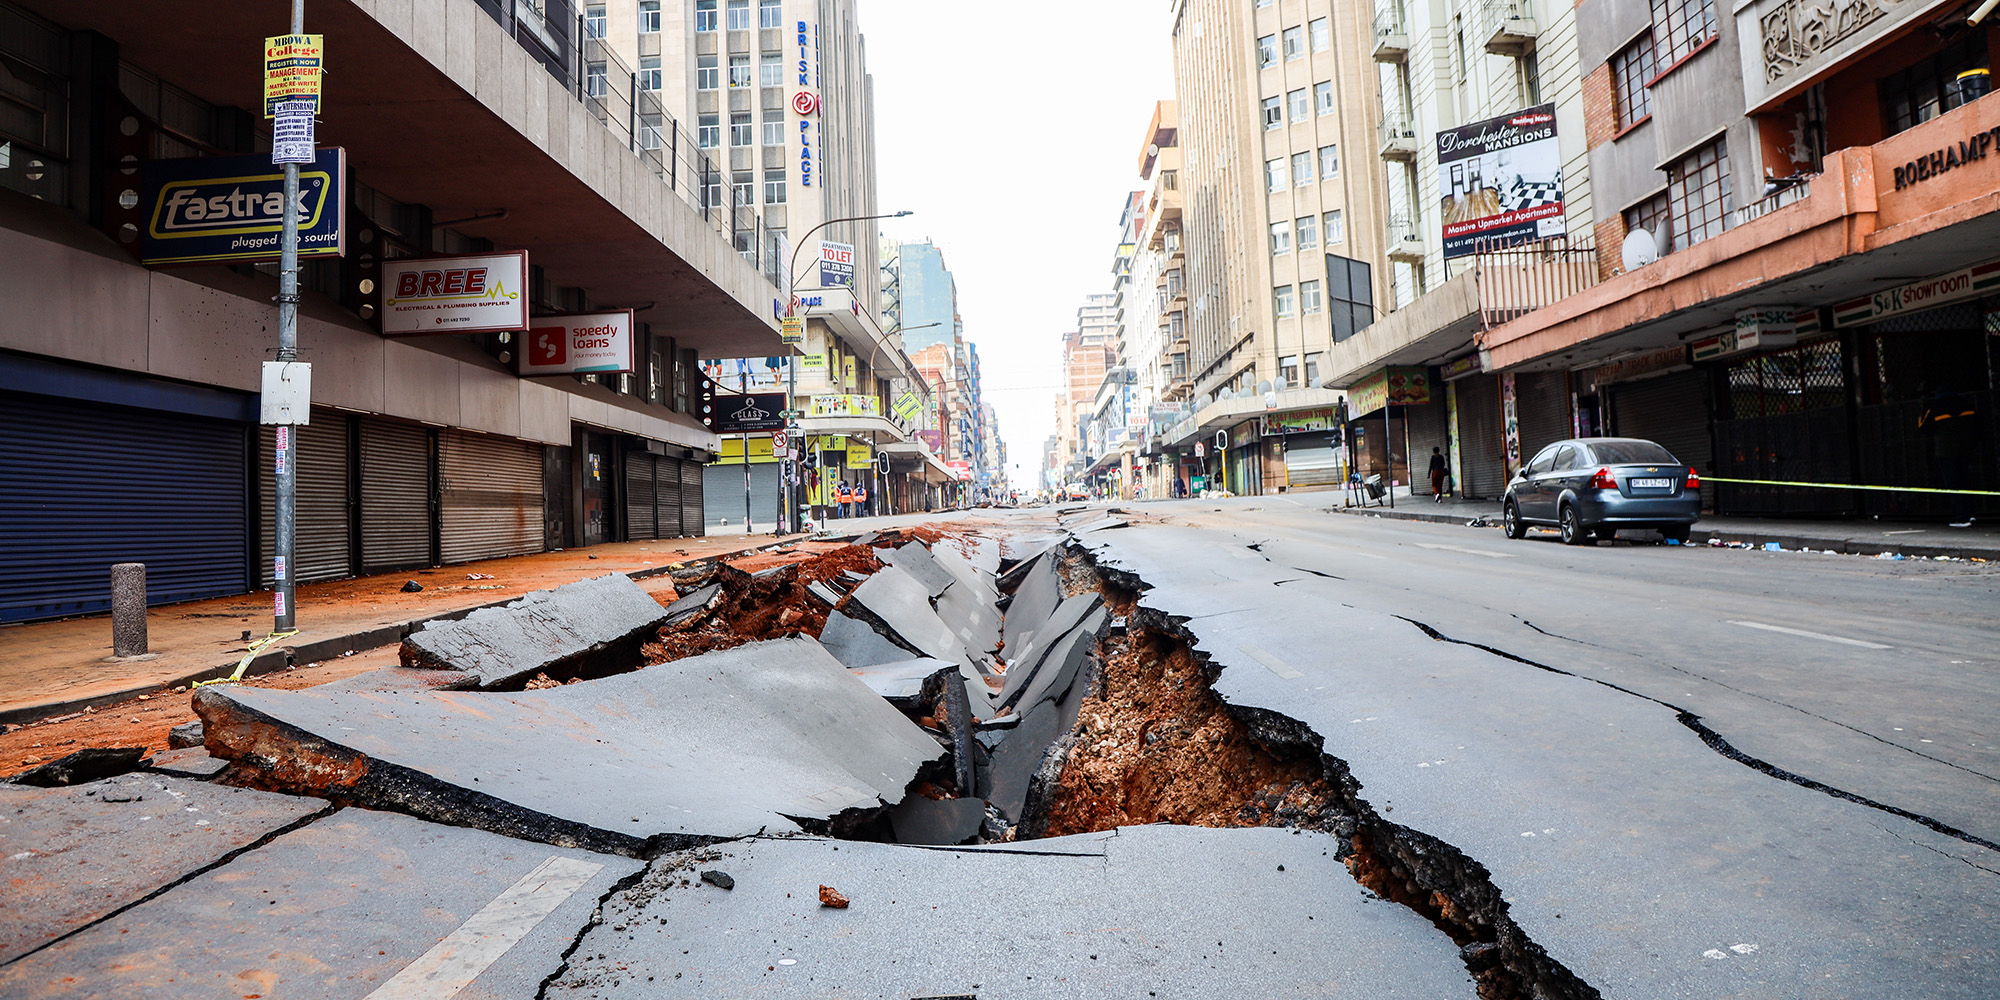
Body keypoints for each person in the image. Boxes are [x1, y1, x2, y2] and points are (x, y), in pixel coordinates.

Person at [1919, 387, 1980, 527]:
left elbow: (1923, 428)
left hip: (1946, 451)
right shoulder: (1967, 405)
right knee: (1966, 481)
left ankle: (1962, 516)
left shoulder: (1935, 407)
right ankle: (1970, 514)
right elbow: (1978, 426)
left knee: (1953, 484)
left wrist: (1923, 408)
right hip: (1966, 448)